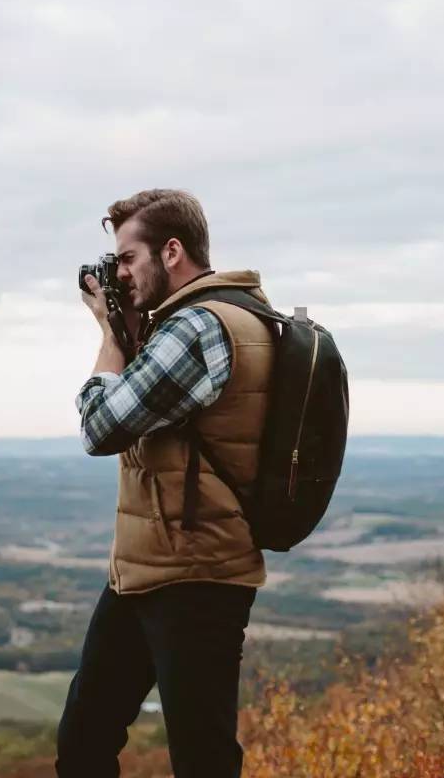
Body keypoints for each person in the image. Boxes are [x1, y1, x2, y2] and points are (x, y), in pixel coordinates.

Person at [55, 189, 276, 778]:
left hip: (196, 576)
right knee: (83, 742)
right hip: (147, 570)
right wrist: (131, 328)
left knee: (200, 760)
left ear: (171, 251)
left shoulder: (199, 327)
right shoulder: (210, 319)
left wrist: (108, 334)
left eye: (127, 259)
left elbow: (102, 428)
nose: (120, 274)